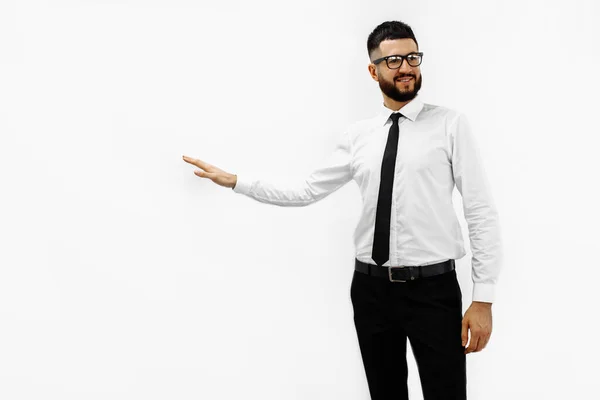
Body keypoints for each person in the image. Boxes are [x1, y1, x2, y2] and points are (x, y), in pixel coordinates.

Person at [183, 20, 502, 400]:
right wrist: (237, 180)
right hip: (371, 291)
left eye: (412, 57)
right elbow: (306, 190)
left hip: (433, 291)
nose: (405, 67)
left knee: (446, 393)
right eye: (394, 59)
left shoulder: (450, 125)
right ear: (374, 70)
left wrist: (483, 298)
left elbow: (480, 210)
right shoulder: (359, 137)